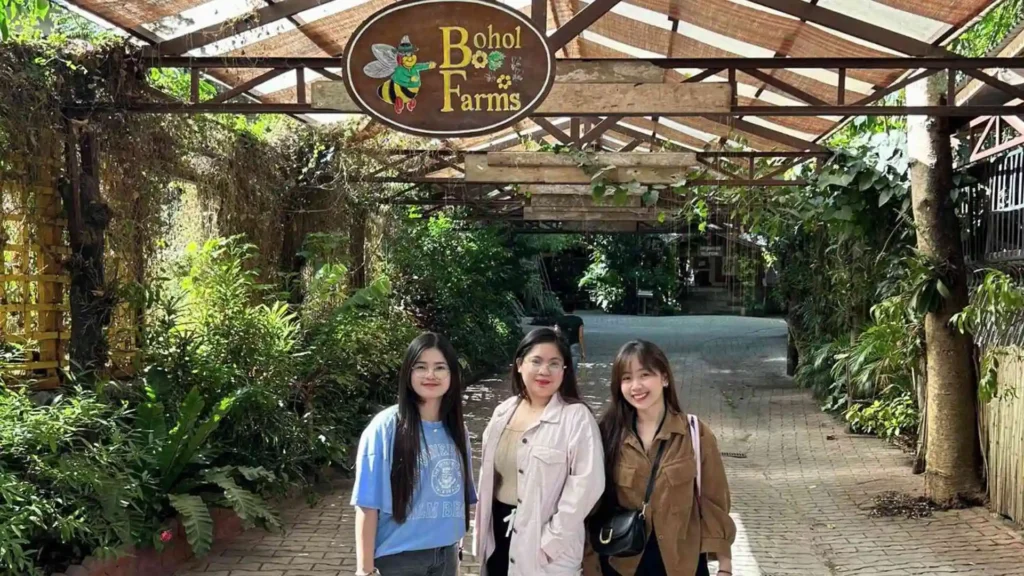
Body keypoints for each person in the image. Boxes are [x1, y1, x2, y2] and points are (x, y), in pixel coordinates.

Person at [584, 340, 736, 576]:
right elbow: (592, 507)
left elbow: (714, 502)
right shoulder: (607, 434)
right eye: (626, 378)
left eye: (645, 375)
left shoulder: (695, 433)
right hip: (621, 563)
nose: (636, 386)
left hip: (681, 564)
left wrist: (725, 567)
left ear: (664, 378)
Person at [475, 328, 605, 576]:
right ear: (520, 365)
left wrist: (550, 541)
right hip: (498, 538)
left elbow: (588, 486)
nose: (544, 371)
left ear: (565, 370)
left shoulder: (576, 418)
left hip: (546, 549)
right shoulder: (503, 412)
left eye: (554, 363)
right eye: (536, 361)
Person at [352, 332, 476, 576]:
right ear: (408, 373)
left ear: (452, 375)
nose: (430, 375)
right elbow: (367, 504)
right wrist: (364, 570)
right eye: (421, 367)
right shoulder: (386, 427)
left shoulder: (457, 430)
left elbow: (460, 497)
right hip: (399, 559)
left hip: (446, 556)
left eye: (440, 367)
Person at [554, 301, 586, 372]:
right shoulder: (578, 320)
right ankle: (571, 378)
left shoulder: (559, 320)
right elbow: (580, 336)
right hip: (574, 343)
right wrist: (583, 351)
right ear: (573, 309)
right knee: (573, 365)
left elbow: (557, 332)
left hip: (562, 344)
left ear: (563, 309)